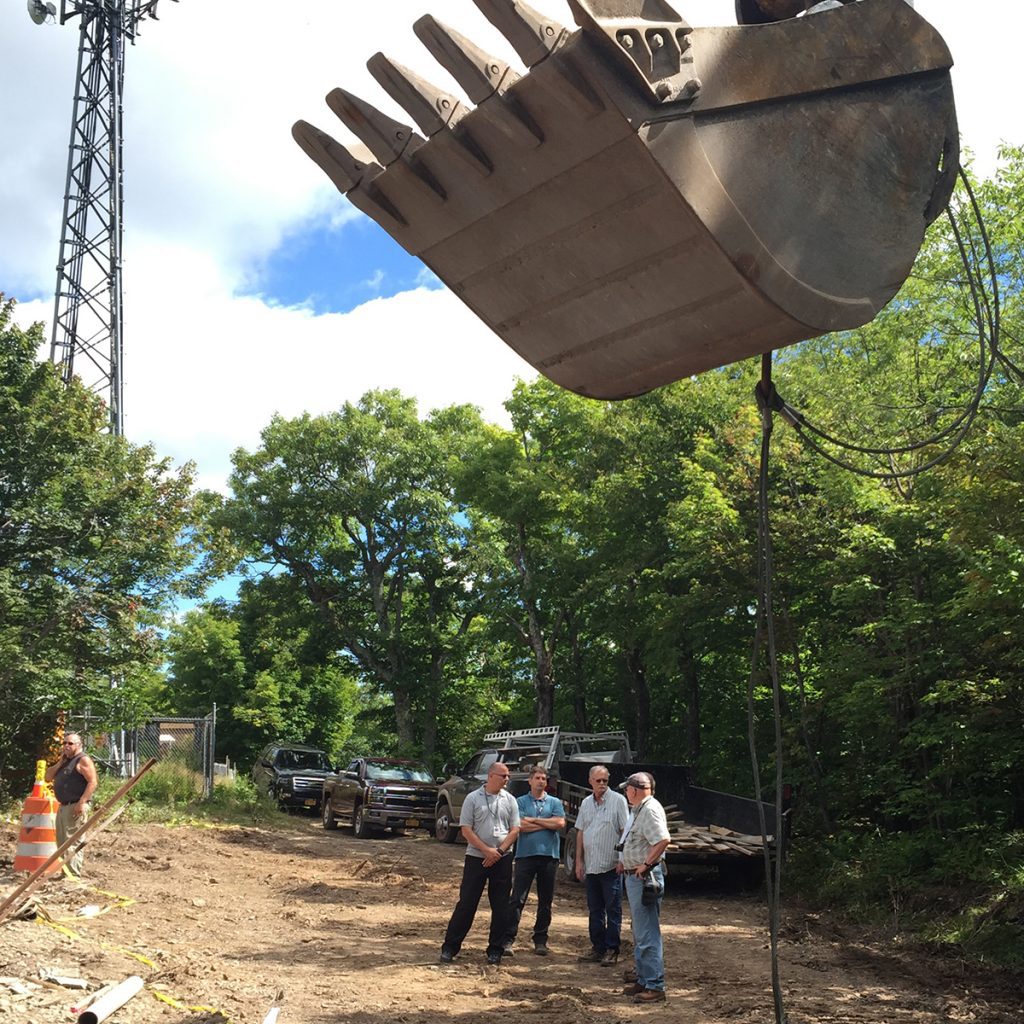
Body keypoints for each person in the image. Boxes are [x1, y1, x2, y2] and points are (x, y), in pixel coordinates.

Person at [440, 762, 521, 965]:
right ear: (491, 776)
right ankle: (450, 947)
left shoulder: (510, 800)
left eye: (508, 776)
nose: (507, 779)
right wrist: (486, 850)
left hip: (502, 858)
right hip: (477, 857)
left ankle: (495, 950)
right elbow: (466, 829)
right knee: (467, 903)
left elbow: (515, 829)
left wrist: (499, 851)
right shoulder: (473, 798)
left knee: (501, 906)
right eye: (503, 775)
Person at [618, 771, 671, 1003]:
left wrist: (646, 864)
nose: (626, 793)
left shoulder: (648, 809)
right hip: (636, 877)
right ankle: (644, 978)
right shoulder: (641, 809)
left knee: (647, 931)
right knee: (640, 930)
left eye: (627, 789)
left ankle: (655, 985)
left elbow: (662, 839)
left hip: (644, 878)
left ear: (635, 790)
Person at [502, 767, 566, 957]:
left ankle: (540, 940)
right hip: (525, 856)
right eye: (537, 778)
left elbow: (560, 824)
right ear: (530, 781)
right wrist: (546, 823)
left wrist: (534, 820)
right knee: (517, 899)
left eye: (544, 778)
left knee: (546, 901)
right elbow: (519, 826)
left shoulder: (554, 802)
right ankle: (508, 939)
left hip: (549, 857)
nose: (541, 781)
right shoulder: (520, 801)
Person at [575, 764, 629, 966]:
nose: (602, 784)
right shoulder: (586, 803)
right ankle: (597, 947)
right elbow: (581, 831)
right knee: (594, 909)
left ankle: (612, 949)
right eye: (598, 780)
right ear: (590, 781)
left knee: (613, 909)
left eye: (605, 780)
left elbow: (625, 830)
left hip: (611, 866)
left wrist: (623, 859)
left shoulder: (618, 801)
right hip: (591, 866)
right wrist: (579, 861)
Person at [44, 733, 98, 876]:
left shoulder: (83, 760)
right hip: (63, 806)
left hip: (75, 806)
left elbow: (92, 782)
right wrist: (60, 763)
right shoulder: (65, 761)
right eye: (65, 743)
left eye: (70, 744)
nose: (66, 746)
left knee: (72, 841)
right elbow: (47, 777)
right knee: (62, 843)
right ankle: (65, 873)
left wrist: (82, 803)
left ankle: (73, 876)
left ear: (79, 745)